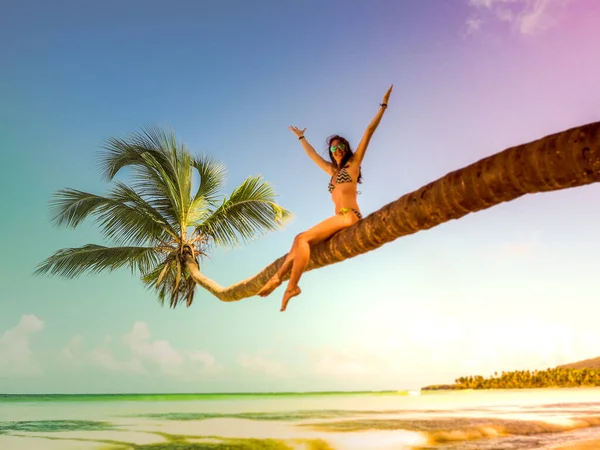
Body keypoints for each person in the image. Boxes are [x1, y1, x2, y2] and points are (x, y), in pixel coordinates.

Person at [257, 85, 394, 311]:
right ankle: (279, 278)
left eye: (340, 146)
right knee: (299, 240)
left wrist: (383, 105)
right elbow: (312, 155)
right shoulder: (332, 172)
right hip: (339, 219)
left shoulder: (354, 164)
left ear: (346, 148)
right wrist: (301, 137)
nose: (337, 150)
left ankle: (291, 285)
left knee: (302, 240)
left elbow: (369, 131)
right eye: (333, 148)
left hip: (350, 217)